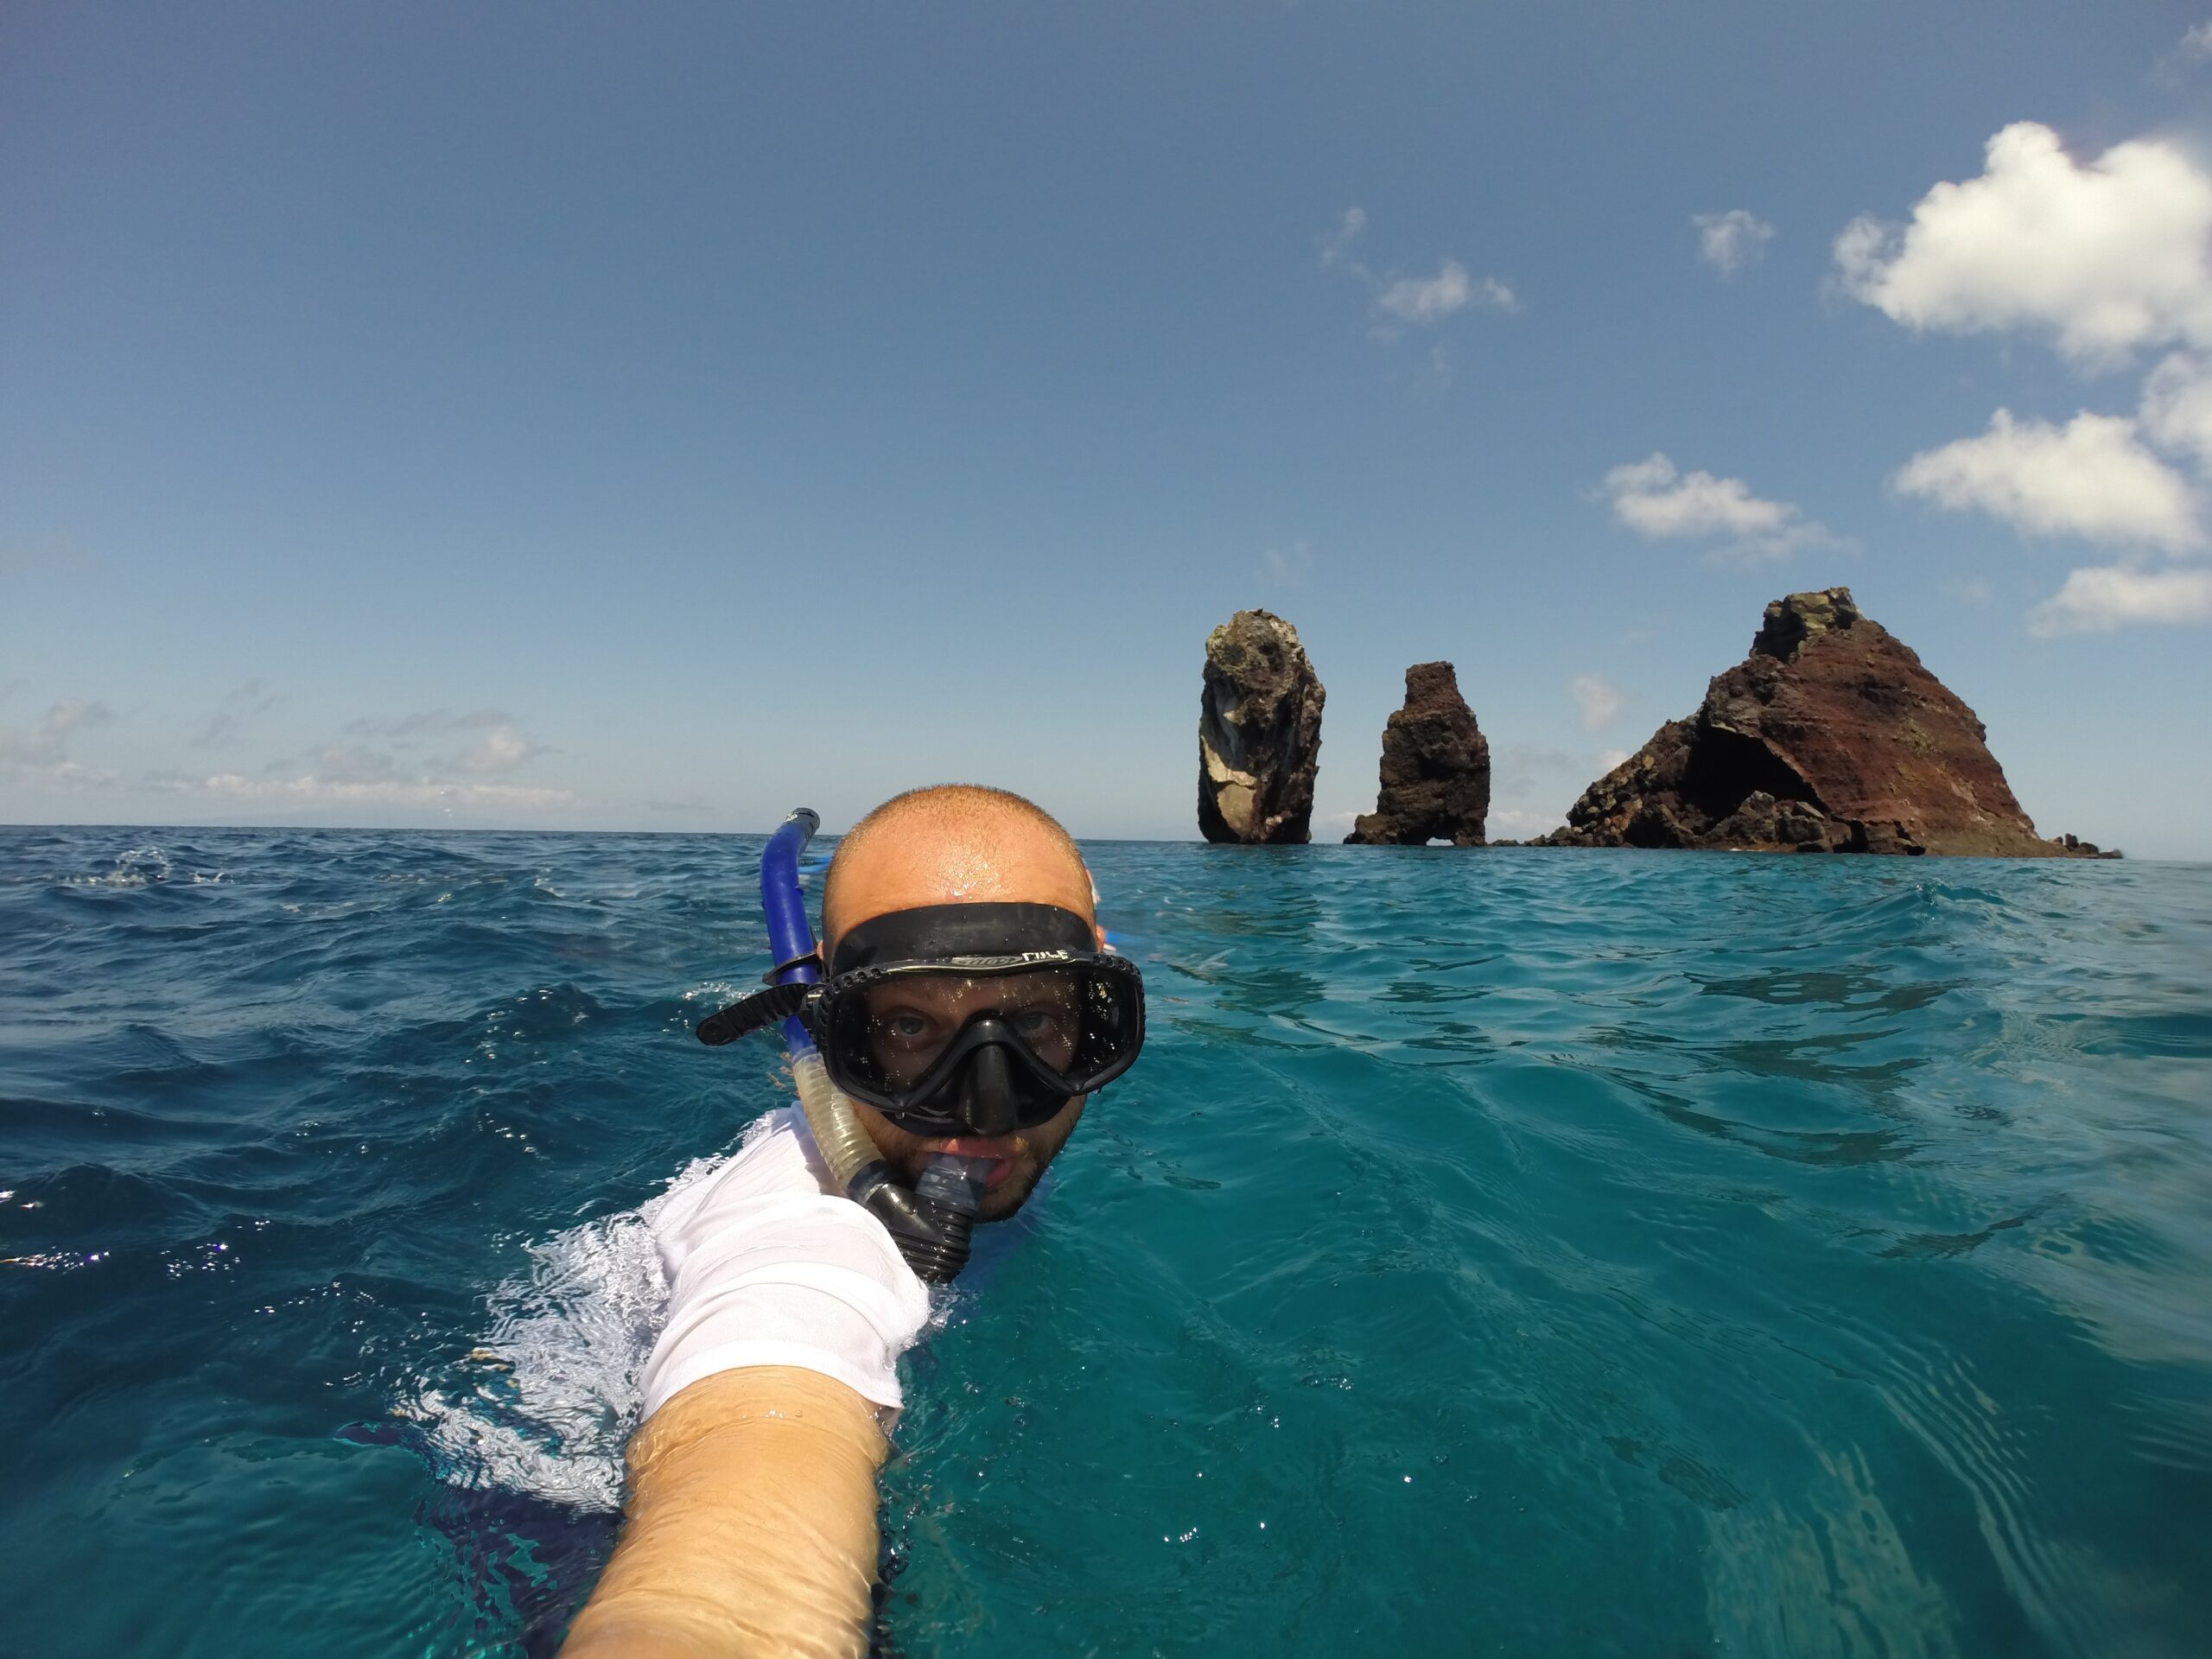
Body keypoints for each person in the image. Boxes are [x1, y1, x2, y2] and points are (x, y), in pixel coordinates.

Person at [562, 785, 1143, 1658]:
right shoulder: (802, 1237)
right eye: (910, 1026)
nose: (984, 1110)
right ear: (833, 1025)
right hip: (557, 1538)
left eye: (1032, 1020)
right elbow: (719, 1585)